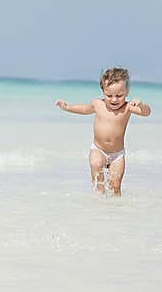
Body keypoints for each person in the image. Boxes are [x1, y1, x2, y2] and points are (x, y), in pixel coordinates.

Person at [55, 67, 151, 196]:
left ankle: (116, 209)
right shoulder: (98, 104)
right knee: (96, 166)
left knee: (115, 186)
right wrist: (67, 107)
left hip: (117, 154)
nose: (114, 100)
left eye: (119, 95)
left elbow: (146, 113)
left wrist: (142, 104)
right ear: (103, 91)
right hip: (98, 149)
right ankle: (99, 200)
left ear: (127, 92)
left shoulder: (128, 108)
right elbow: (84, 109)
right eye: (109, 95)